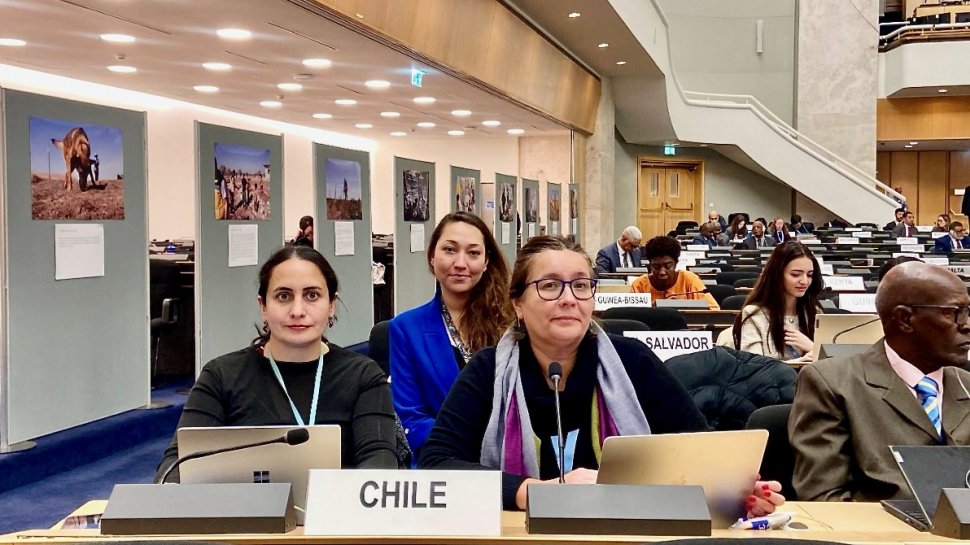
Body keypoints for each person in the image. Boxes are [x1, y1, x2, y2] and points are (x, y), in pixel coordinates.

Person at [418, 236, 785, 514]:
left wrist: (735, 489)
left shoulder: (632, 361)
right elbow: (437, 464)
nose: (568, 298)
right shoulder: (488, 370)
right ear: (517, 304)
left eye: (581, 285)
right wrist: (534, 491)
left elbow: (699, 448)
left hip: (624, 536)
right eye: (549, 285)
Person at [156, 246, 400, 481]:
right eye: (283, 296)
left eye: (312, 295)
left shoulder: (362, 375)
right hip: (243, 509)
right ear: (263, 306)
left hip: (336, 509)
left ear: (331, 305)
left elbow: (379, 456)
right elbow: (178, 462)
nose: (297, 310)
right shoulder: (221, 376)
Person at [789, 262, 970, 502]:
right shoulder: (833, 384)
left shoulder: (966, 384)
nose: (967, 325)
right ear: (905, 319)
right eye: (954, 313)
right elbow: (824, 499)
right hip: (879, 523)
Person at [390, 212, 514, 463]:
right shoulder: (405, 329)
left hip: (508, 458)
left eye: (473, 253)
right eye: (450, 250)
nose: (460, 263)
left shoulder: (512, 322)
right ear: (432, 257)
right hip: (442, 462)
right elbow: (411, 419)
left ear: (486, 261)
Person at [719, 242, 821, 364]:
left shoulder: (815, 313)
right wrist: (799, 362)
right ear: (777, 275)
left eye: (809, 275)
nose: (804, 281)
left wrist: (813, 348)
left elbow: (835, 365)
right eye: (795, 274)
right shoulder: (754, 314)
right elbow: (754, 367)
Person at [631, 236, 720, 309]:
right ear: (650, 266)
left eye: (667, 266)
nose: (662, 272)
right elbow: (631, 314)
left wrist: (681, 306)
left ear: (676, 264)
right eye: (656, 267)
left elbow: (714, 310)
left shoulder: (690, 280)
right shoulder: (639, 285)